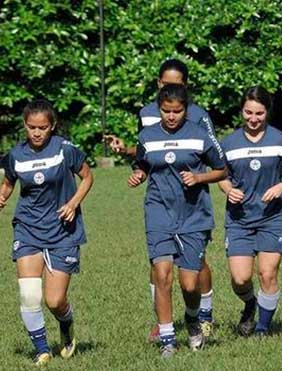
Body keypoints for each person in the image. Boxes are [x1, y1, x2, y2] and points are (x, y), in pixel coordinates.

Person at [105, 59, 217, 341]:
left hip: (191, 203)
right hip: (160, 199)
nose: (170, 90)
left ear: (185, 87)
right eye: (166, 85)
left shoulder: (199, 116)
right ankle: (163, 323)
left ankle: (204, 313)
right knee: (159, 265)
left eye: (176, 85)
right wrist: (126, 151)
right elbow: (147, 151)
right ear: (158, 85)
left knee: (195, 267)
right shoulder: (146, 114)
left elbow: (213, 156)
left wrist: (218, 182)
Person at [128, 84, 226, 357]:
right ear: (159, 108)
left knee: (189, 284)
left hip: (194, 215)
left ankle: (193, 320)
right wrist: (139, 174)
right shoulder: (147, 136)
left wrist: (199, 177)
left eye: (177, 111)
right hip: (158, 211)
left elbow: (221, 169)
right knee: (162, 275)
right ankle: (168, 340)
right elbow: (142, 163)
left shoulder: (200, 135)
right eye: (166, 111)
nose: (171, 116)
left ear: (186, 109)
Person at [0, 100, 94, 366]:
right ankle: (41, 350)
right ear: (25, 126)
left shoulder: (66, 149)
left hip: (62, 230)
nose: (37, 133)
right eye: (31, 127)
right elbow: (8, 184)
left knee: (55, 300)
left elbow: (87, 177)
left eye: (42, 127)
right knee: (29, 294)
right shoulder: (16, 155)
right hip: (27, 227)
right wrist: (2, 197)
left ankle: (66, 324)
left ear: (52, 126)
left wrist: (73, 204)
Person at [219, 86, 282, 337]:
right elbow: (220, 175)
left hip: (273, 217)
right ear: (241, 111)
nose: (253, 119)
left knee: (267, 274)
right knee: (240, 279)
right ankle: (249, 304)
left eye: (259, 113)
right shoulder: (229, 143)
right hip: (239, 219)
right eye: (248, 113)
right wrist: (227, 189)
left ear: (267, 112)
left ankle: (262, 328)